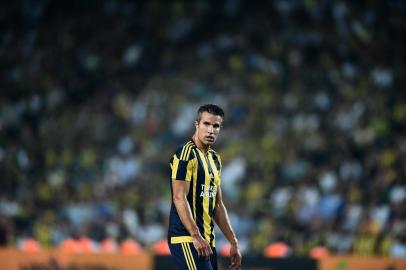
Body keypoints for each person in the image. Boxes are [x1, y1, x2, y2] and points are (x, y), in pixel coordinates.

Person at [168, 104, 242, 270]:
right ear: (197, 124)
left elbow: (217, 205)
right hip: (187, 238)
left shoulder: (215, 159)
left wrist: (233, 241)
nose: (211, 130)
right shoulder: (185, 155)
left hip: (207, 240)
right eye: (206, 124)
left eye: (216, 126)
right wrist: (195, 235)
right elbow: (179, 197)